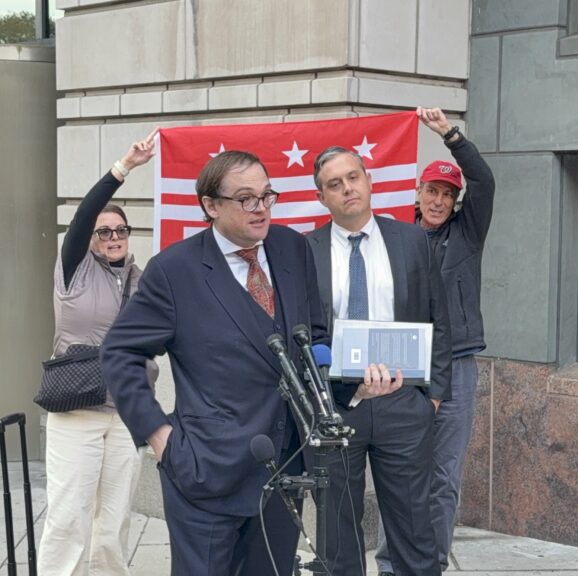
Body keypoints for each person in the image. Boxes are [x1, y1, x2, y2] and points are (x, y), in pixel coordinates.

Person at [102, 150, 352, 575]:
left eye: (266, 195)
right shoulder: (174, 271)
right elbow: (120, 352)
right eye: (246, 199)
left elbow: (313, 337)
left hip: (284, 467)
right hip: (206, 471)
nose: (261, 208)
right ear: (211, 205)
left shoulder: (292, 248)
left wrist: (350, 386)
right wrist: (159, 436)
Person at [306, 142, 453, 576]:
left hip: (403, 402)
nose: (347, 188)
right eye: (335, 184)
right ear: (321, 197)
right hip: (336, 408)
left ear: (369, 181)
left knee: (414, 531)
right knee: (337, 536)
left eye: (353, 177)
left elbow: (439, 319)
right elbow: (303, 332)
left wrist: (431, 397)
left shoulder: (411, 240)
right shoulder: (305, 251)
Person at [375, 107, 495, 575]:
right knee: (396, 470)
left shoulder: (467, 233)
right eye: (432, 190)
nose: (439, 200)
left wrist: (450, 134)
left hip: (457, 365)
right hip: (405, 363)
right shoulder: (395, 236)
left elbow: (483, 181)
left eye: (448, 194)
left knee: (443, 476)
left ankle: (432, 564)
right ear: (418, 192)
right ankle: (390, 564)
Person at [36, 130, 159, 576]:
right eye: (103, 231)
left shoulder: (144, 280)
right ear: (90, 238)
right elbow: (86, 212)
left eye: (120, 230)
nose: (112, 237)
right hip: (77, 412)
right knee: (69, 519)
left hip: (126, 412)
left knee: (113, 524)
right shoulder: (74, 270)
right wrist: (124, 168)